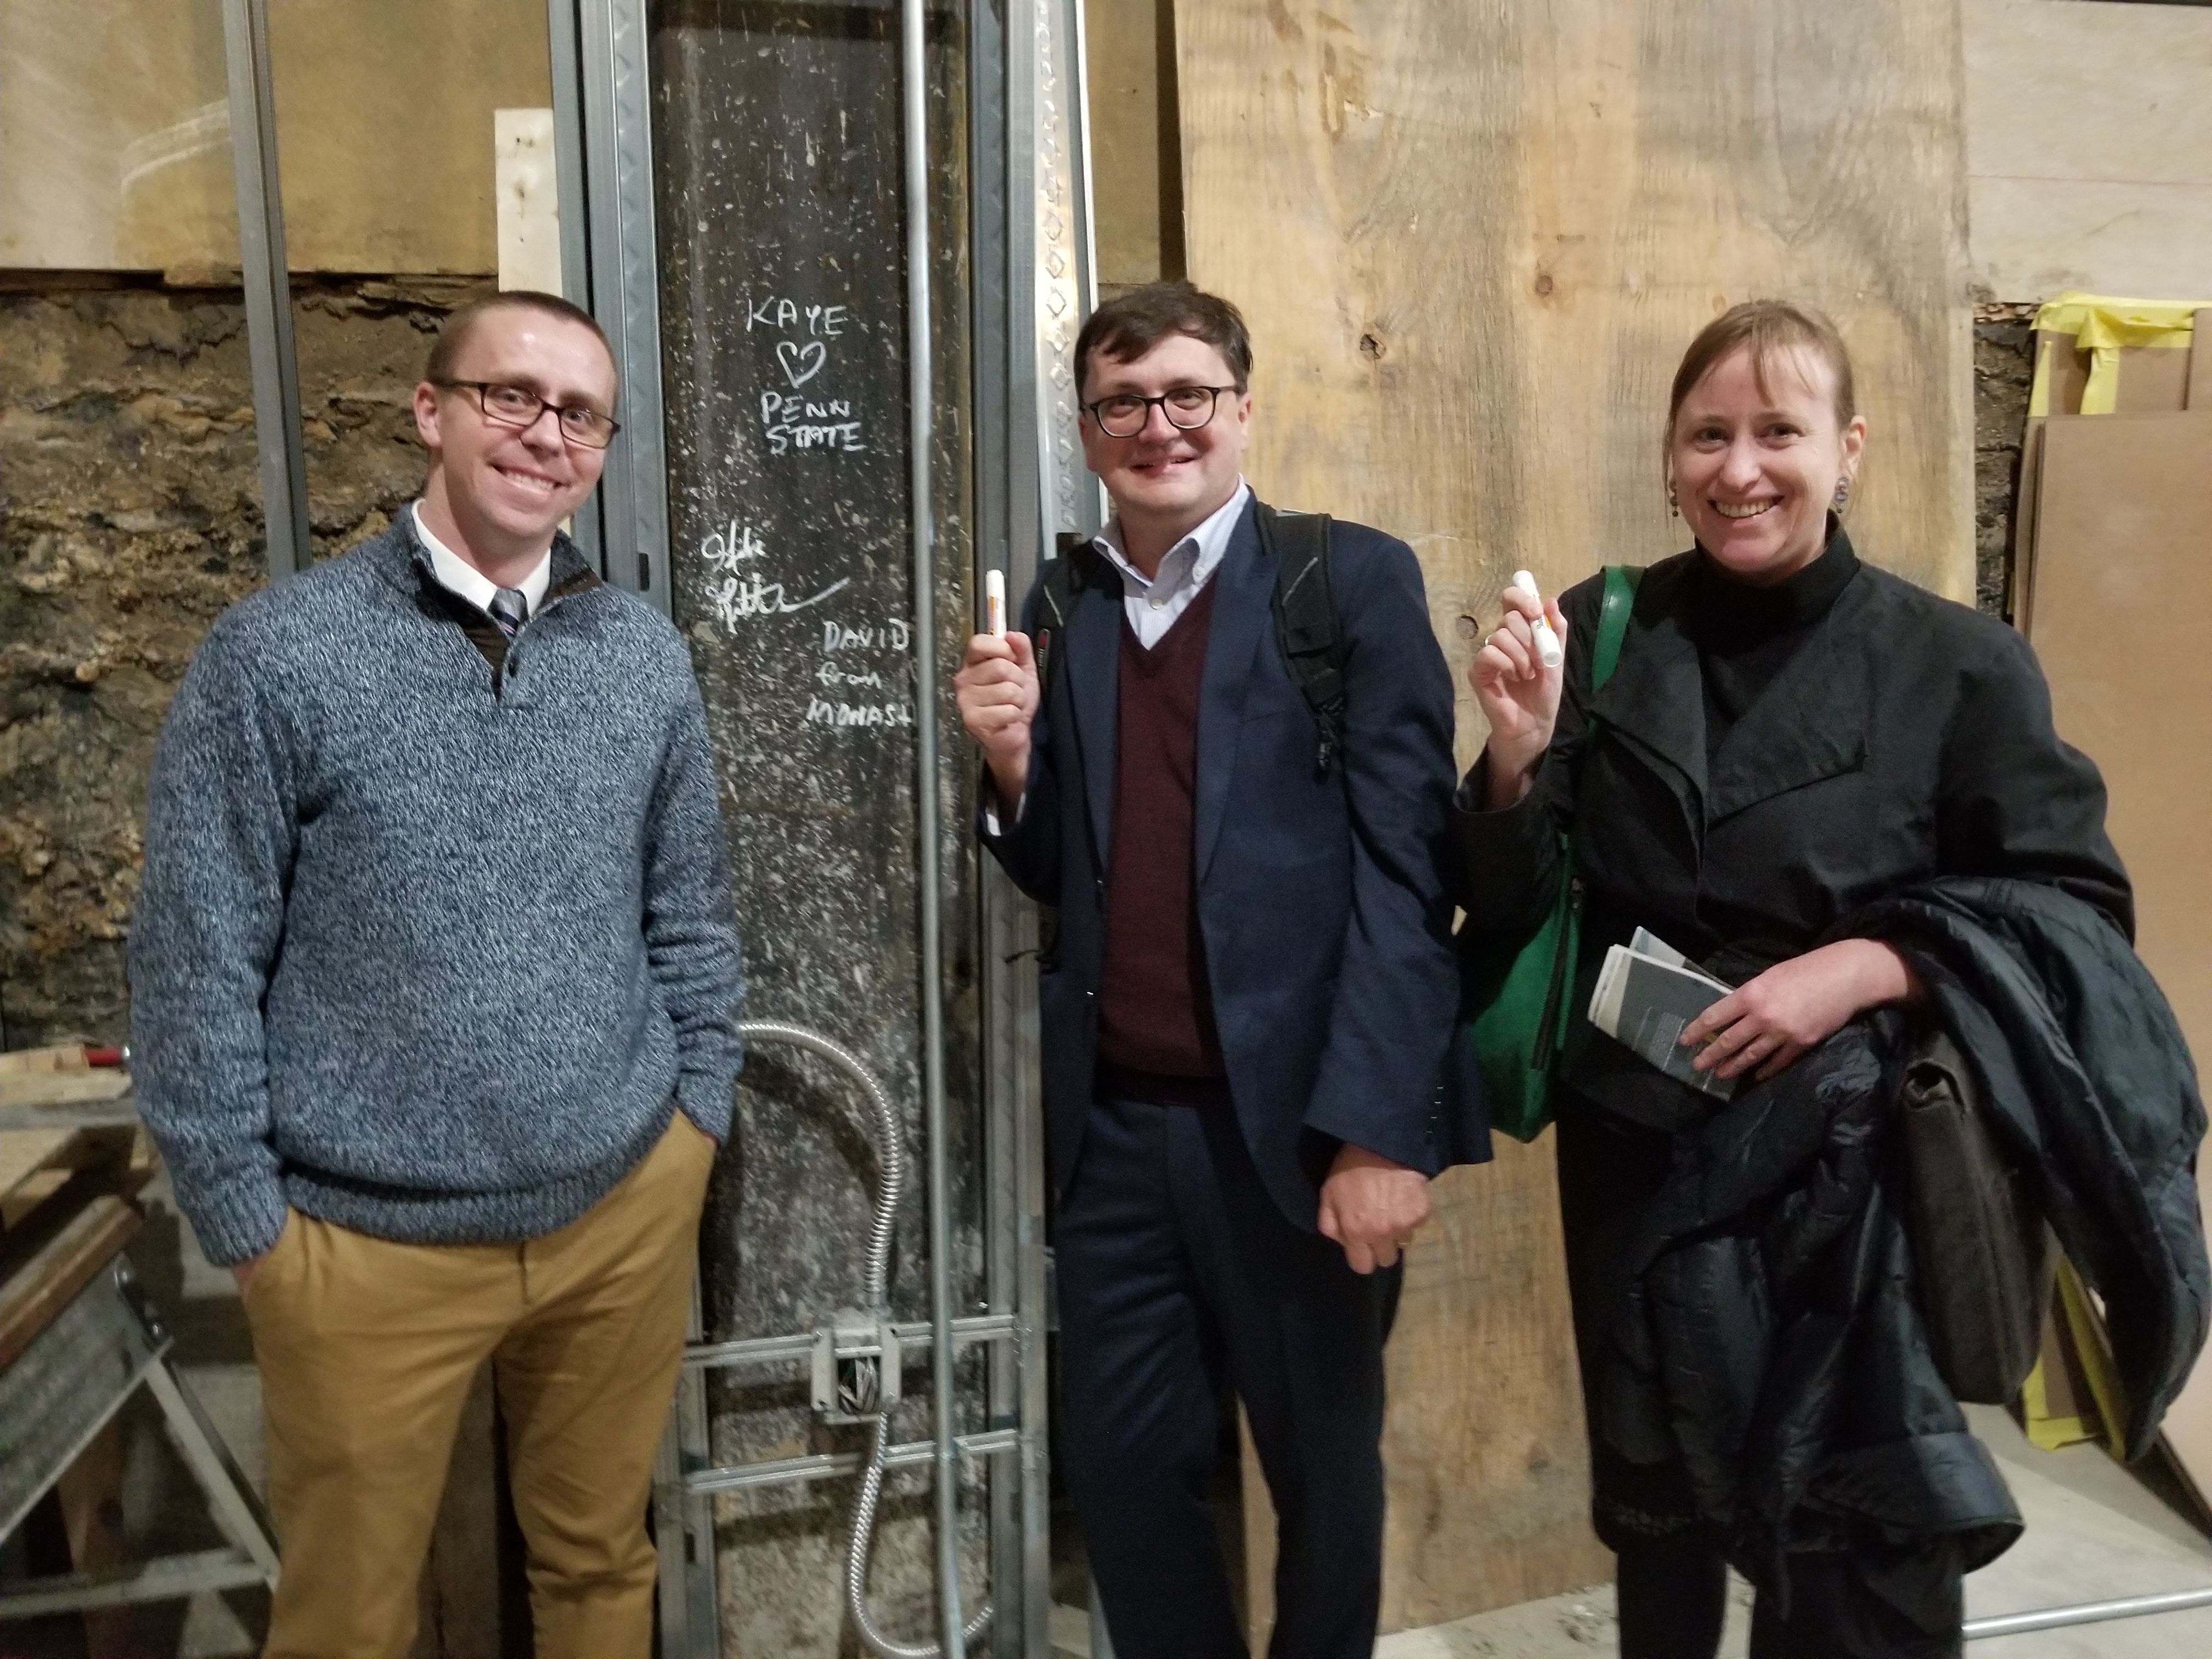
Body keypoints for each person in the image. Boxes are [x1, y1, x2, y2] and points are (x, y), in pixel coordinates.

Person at [1453, 299, 2207, 1658]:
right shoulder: (1602, 634)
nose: (1740, 468)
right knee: (1665, 1528)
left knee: (1861, 1539)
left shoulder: (1959, 665)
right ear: (1672, 456)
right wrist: (1514, 753)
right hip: (1643, 1158)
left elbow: (2078, 912)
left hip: (1855, 1187)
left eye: (1778, 432)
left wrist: (1866, 966)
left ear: (1846, 448)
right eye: (1708, 435)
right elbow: (1511, 911)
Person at [130, 290, 743, 1658]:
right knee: (347, 1614)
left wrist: (695, 1120)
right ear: (432, 411)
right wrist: (253, 1229)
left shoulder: (641, 656)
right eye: (508, 397)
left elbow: (692, 914)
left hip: (615, 1214)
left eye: (579, 412)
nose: (545, 434)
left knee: (597, 1566)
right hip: (360, 1247)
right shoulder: (280, 657)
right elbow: (194, 957)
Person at [953, 281, 1476, 1659]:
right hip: (1117, 1137)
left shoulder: (1343, 583)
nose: (1160, 425)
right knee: (1131, 1486)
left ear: (1243, 410)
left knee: (1322, 1484)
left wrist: (1379, 1127)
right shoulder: (1061, 601)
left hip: (1299, 1138)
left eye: (1190, 395)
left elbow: (1410, 876)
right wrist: (1011, 767)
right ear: (1087, 430)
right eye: (1125, 402)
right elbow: (1073, 866)